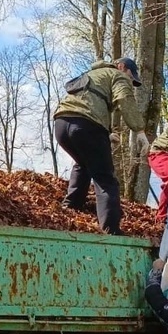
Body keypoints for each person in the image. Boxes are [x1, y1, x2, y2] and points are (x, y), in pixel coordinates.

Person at [53, 57, 149, 235]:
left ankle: (71, 208)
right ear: (122, 67)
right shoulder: (117, 75)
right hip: (86, 126)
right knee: (105, 178)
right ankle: (110, 229)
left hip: (61, 124)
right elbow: (125, 100)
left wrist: (106, 134)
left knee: (83, 163)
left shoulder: (93, 74)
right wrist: (140, 131)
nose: (129, 80)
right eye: (130, 76)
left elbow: (88, 104)